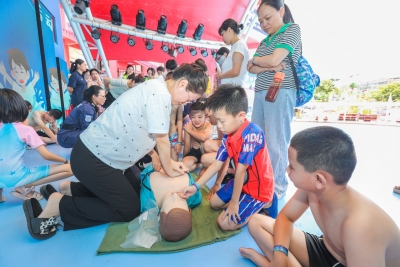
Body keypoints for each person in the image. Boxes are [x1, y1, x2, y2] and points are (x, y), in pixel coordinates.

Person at [22, 61, 209, 239]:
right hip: (95, 160)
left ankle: (72, 190)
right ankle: (60, 204)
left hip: (94, 157)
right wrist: (169, 168)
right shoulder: (160, 95)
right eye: (189, 99)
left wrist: (156, 157)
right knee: (129, 209)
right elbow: (161, 139)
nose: (186, 103)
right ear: (183, 84)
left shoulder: (155, 87)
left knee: (133, 188)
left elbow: (140, 129)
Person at [240, 126, 400, 267]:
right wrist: (280, 254)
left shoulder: (360, 227)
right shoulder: (313, 188)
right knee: (256, 222)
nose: (287, 170)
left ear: (318, 179)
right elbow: (286, 217)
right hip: (327, 250)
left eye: (292, 166)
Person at [177, 85, 276, 231]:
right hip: (241, 184)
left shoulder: (252, 134)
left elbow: (241, 172)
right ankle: (243, 201)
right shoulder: (229, 135)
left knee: (224, 223)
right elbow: (217, 164)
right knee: (214, 203)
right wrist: (195, 187)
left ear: (240, 116)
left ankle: (267, 202)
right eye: (217, 120)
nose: (219, 126)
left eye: (222, 121)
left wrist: (234, 203)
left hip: (258, 190)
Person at [247, 0, 300, 198]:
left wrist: (257, 61)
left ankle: (277, 188)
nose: (264, 24)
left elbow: (273, 59)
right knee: (257, 139)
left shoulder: (292, 30)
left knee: (276, 141)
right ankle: (260, 179)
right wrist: (267, 66)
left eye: (267, 18)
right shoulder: (264, 41)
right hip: (260, 93)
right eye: (260, 21)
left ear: (281, 10)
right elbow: (249, 69)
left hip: (281, 90)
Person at [0, 89, 73, 201]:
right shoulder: (26, 129)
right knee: (70, 168)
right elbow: (47, 156)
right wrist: (65, 161)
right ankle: (26, 186)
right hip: (15, 178)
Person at [140, 166, 201, 241]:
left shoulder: (148, 201)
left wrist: (162, 164)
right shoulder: (194, 197)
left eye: (170, 202)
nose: (175, 195)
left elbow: (145, 172)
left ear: (159, 215)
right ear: (188, 209)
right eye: (181, 201)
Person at [217, 19, 250, 87]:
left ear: (229, 30)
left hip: (232, 90)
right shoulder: (236, 46)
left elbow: (235, 71)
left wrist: (221, 76)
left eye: (223, 34)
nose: (222, 39)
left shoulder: (239, 45)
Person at [182, 100, 213, 172]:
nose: (196, 120)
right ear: (189, 116)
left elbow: (204, 137)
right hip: (194, 151)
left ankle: (203, 163)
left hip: (206, 152)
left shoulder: (208, 125)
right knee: (185, 167)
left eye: (199, 117)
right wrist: (184, 159)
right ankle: (200, 164)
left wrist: (190, 131)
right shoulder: (189, 126)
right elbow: (187, 145)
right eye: (193, 117)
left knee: (204, 142)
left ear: (205, 117)